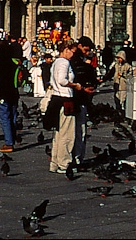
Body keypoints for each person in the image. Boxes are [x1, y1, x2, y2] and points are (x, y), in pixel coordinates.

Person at [48, 41, 80, 174]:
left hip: (56, 98)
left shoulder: (56, 62)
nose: (73, 55)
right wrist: (74, 85)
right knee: (67, 134)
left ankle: (54, 162)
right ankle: (64, 163)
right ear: (66, 50)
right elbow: (62, 80)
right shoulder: (64, 62)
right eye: (72, 51)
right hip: (65, 99)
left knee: (58, 133)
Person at [0, 38, 21, 152]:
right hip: (14, 92)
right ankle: (12, 137)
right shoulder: (14, 62)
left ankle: (9, 142)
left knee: (5, 117)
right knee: (13, 116)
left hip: (3, 92)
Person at [110, 49, 132, 115]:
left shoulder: (127, 66)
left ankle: (123, 113)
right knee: (117, 99)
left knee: (123, 100)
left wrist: (123, 75)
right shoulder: (115, 65)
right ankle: (118, 112)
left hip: (123, 85)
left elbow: (130, 75)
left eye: (120, 58)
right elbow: (111, 72)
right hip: (116, 85)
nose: (119, 60)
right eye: (118, 58)